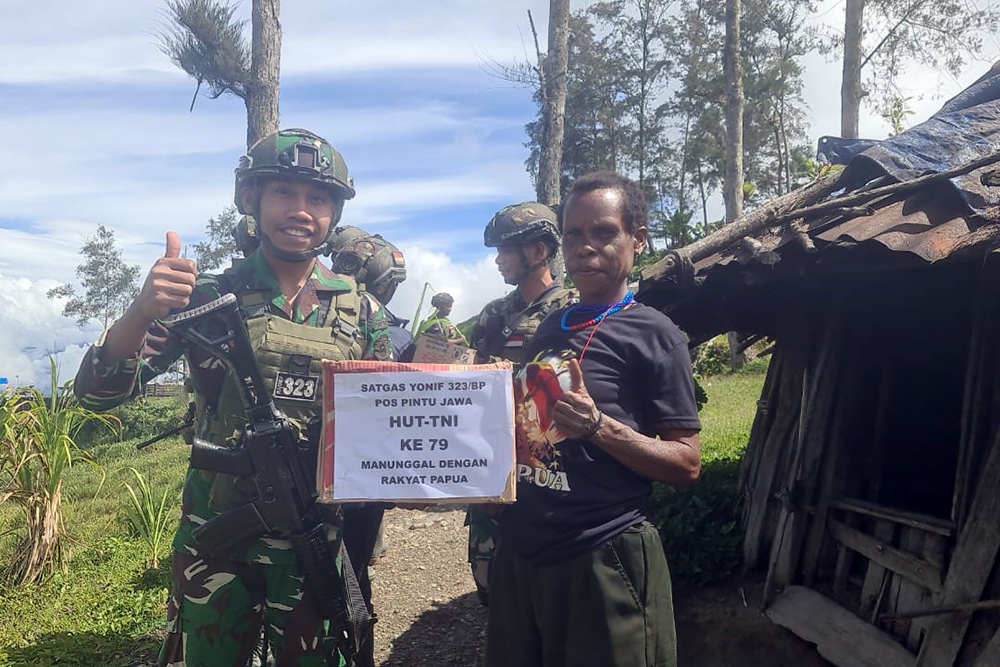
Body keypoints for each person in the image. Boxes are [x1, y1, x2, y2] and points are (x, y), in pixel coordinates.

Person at [74, 128, 393, 667]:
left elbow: (390, 421)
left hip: (312, 535)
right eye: (283, 193)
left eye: (317, 198)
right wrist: (142, 310)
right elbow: (98, 395)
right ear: (252, 199)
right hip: (217, 536)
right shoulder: (207, 299)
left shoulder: (363, 313)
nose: (301, 210)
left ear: (334, 214)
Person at [484, 171, 702, 667]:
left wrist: (599, 426)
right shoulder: (549, 326)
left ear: (637, 241)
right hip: (522, 551)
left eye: (604, 232)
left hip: (604, 554)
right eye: (575, 234)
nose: (587, 247)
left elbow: (687, 465)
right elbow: (532, 431)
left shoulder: (655, 334)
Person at [466, 201, 575, 606]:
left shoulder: (571, 310)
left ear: (537, 251)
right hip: (494, 460)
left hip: (551, 464)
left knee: (553, 582)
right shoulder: (494, 314)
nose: (497, 261)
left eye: (505, 251)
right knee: (491, 575)